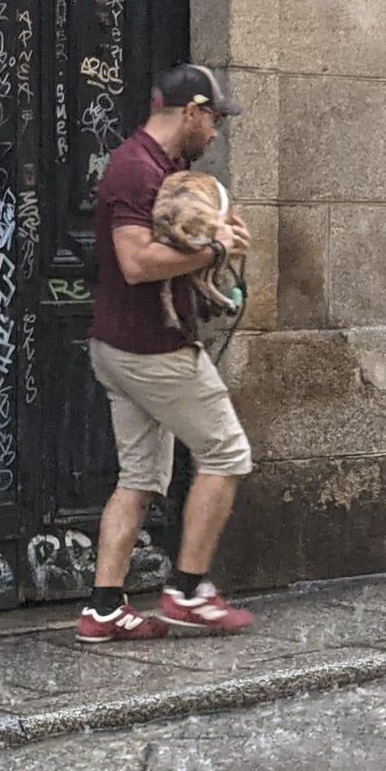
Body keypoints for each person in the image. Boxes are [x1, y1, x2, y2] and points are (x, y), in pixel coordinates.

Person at [76, 64, 255, 643]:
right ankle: (187, 589)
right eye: (216, 119)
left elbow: (176, 243)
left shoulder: (163, 169)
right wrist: (210, 254)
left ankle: (104, 608)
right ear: (193, 109)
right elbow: (135, 263)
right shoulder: (135, 167)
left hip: (120, 346)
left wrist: (219, 240)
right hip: (151, 348)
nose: (217, 132)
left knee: (140, 477)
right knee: (227, 454)